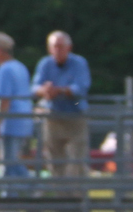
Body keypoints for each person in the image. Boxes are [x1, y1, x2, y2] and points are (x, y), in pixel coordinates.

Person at [33, 30, 91, 180]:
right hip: (53, 115)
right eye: (54, 46)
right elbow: (33, 87)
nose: (57, 50)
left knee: (76, 161)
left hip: (75, 114)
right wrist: (44, 90)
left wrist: (59, 91)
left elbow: (81, 88)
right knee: (54, 160)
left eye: (60, 46)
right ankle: (61, 197)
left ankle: (78, 198)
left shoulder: (79, 63)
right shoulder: (45, 64)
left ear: (69, 48)